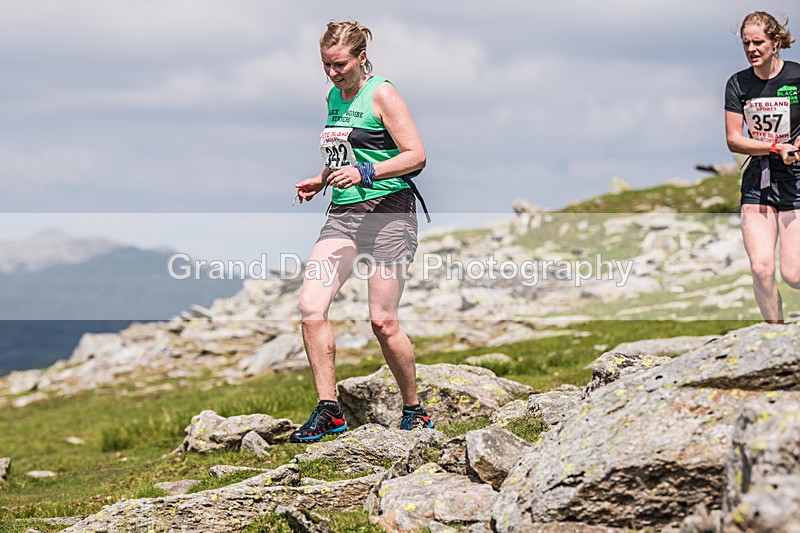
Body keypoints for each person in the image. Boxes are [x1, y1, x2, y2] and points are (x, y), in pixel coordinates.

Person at [289, 20, 432, 442]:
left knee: (382, 322)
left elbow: (416, 156)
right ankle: (329, 410)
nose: (333, 73)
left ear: (361, 58)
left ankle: (414, 410)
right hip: (343, 213)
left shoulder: (382, 93)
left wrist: (366, 172)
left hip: (389, 211)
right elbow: (345, 153)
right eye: (326, 65)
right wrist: (322, 178)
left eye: (340, 64)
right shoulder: (333, 96)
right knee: (311, 307)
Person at [725, 11, 800, 323]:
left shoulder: (796, 76)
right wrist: (773, 147)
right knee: (761, 268)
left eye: (758, 42)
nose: (752, 49)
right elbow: (733, 139)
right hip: (759, 181)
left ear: (775, 41)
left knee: (794, 274)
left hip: (796, 179)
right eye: (746, 43)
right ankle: (775, 336)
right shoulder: (738, 83)